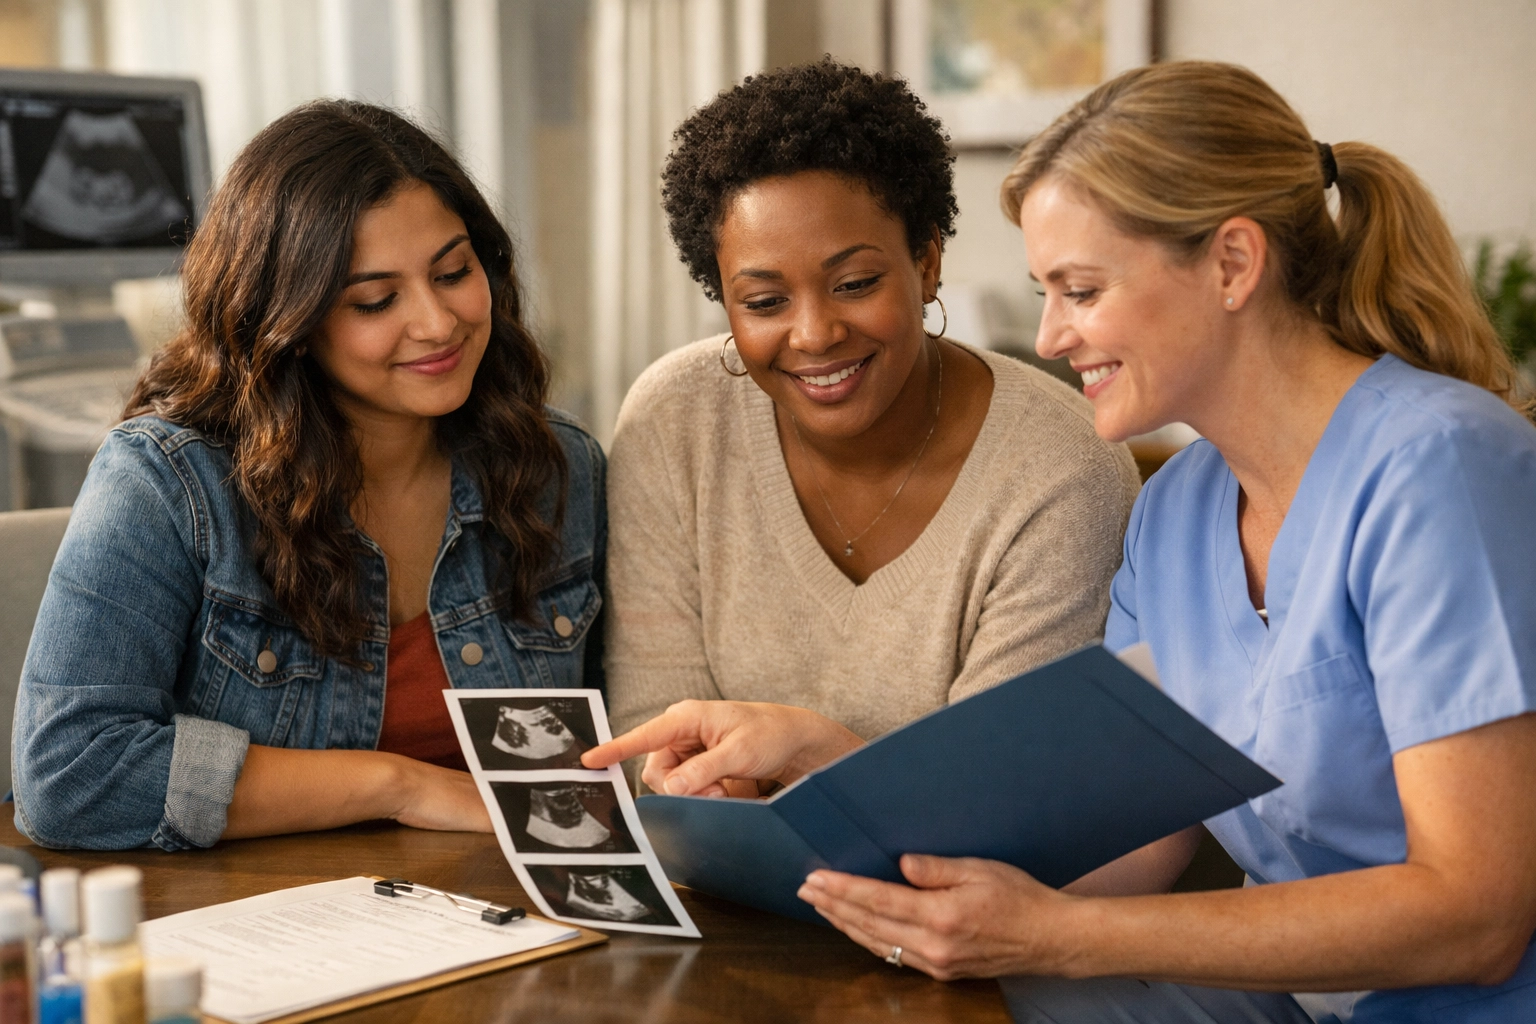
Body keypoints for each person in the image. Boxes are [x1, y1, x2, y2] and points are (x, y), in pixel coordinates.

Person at [584, 61, 1536, 1022]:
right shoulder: (1179, 516)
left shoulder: (1443, 470)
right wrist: (830, 765)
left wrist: (1058, 937)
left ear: (1234, 265)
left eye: (1080, 290)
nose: (1048, 337)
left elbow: (1478, 917)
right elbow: (1117, 842)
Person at [13, 101, 606, 851]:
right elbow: (72, 774)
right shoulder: (168, 482)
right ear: (286, 321)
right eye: (374, 300)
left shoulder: (558, 469)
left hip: (517, 915)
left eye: (454, 272)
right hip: (266, 929)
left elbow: (624, 751)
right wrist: (400, 786)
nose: (437, 322)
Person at [604, 60, 1140, 757]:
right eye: (764, 302)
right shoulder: (674, 422)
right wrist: (699, 785)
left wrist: (806, 754)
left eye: (854, 283)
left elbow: (999, 788)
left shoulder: (1063, 472)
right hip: (706, 864)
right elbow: (654, 740)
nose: (815, 334)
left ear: (926, 263)